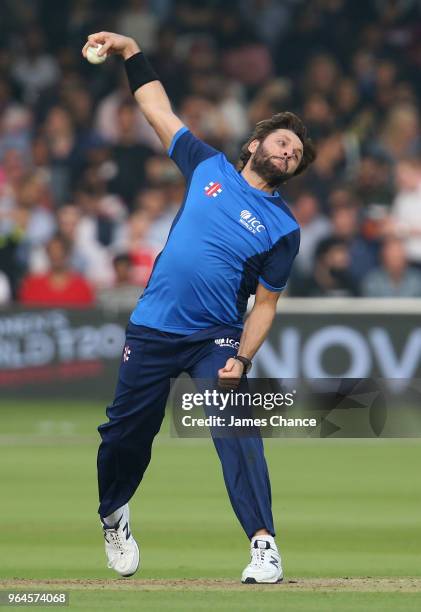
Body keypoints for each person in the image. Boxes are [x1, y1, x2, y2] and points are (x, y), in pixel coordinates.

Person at [82, 31, 316, 584]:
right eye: (283, 142)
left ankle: (264, 545)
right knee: (123, 436)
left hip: (215, 335)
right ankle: (114, 514)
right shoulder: (205, 165)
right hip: (153, 327)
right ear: (256, 144)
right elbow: (153, 105)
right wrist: (131, 49)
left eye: (298, 153)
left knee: (236, 424)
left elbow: (265, 303)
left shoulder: (284, 229)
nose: (289, 151)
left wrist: (245, 358)